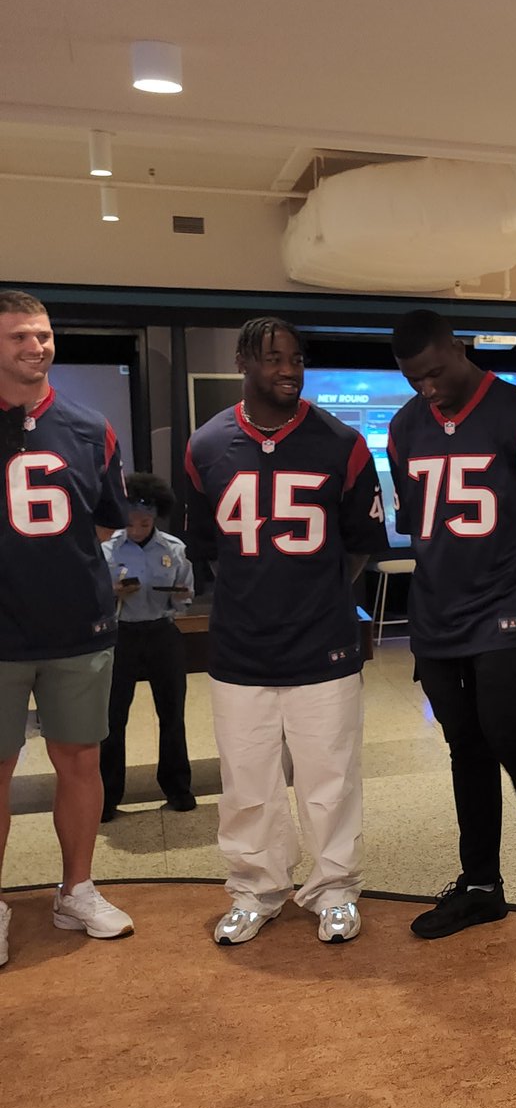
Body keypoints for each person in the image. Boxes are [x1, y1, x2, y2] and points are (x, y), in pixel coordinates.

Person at [184, 316, 387, 946]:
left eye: (296, 358)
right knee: (247, 781)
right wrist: (259, 592)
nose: (289, 370)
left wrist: (311, 594)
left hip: (322, 642)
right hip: (241, 644)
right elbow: (210, 548)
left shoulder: (342, 442)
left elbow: (359, 547)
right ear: (244, 361)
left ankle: (334, 890)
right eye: (274, 359)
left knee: (329, 778)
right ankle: (256, 888)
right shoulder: (206, 444)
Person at [387, 312, 516, 954]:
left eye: (436, 373)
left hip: (509, 613)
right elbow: (419, 526)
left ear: (457, 350)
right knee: (465, 747)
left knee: (513, 740)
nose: (428, 388)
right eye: (415, 379)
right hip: (438, 617)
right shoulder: (404, 427)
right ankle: (480, 886)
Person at [0, 289, 135, 962]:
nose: (36, 346)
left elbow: (105, 520)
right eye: (20, 336)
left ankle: (76, 888)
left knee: (81, 760)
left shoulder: (91, 427)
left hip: (78, 629)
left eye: (43, 335)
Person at [100, 473, 196, 821]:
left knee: (172, 714)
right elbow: (93, 596)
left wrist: (182, 597)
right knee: (112, 718)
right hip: (120, 635)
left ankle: (178, 788)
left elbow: (186, 594)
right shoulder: (107, 548)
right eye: (131, 522)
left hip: (162, 633)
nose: (138, 528)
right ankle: (107, 796)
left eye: (145, 522)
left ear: (155, 517)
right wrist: (112, 593)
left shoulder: (173, 548)